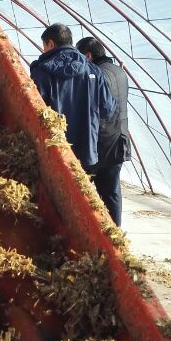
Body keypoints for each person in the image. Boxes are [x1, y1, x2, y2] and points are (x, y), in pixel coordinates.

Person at [29, 23, 116, 170]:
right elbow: (107, 109)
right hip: (87, 152)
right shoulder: (94, 70)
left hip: (55, 150)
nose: (43, 51)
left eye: (44, 46)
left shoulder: (41, 72)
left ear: (50, 43)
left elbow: (35, 112)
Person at [76, 36, 131, 227]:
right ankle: (115, 233)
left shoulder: (95, 75)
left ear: (88, 56)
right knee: (112, 191)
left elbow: (94, 108)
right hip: (120, 140)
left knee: (85, 190)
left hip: (101, 142)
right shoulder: (120, 72)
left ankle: (96, 231)